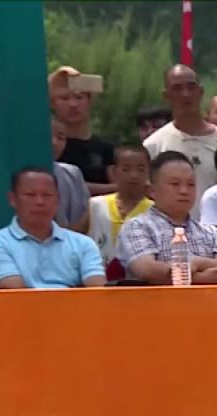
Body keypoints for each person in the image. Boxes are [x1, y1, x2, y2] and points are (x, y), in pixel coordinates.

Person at [118, 151, 217, 285]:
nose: (184, 191)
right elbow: (147, 269)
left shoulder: (210, 232)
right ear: (151, 191)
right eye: (175, 184)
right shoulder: (137, 226)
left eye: (191, 184)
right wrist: (199, 279)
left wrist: (196, 262)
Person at [0, 167, 106, 289]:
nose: (40, 201)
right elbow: (15, 291)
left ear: (58, 200)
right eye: (30, 194)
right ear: (13, 199)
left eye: (47, 195)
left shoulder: (83, 243)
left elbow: (96, 288)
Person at [143, 65, 217, 215]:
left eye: (191, 87)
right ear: (166, 96)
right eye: (177, 88)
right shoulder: (154, 145)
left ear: (201, 91)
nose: (186, 94)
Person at [87, 144, 154, 282]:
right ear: (113, 171)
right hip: (99, 282)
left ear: (149, 172)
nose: (134, 175)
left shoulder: (155, 210)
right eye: (126, 169)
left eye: (141, 169)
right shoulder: (95, 205)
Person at [48, 66, 115, 195]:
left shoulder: (105, 148)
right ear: (52, 103)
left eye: (79, 98)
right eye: (64, 98)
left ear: (89, 101)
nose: (73, 104)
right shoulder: (51, 147)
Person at [50, 116, 91, 233]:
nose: (54, 142)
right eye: (48, 135)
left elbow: (83, 215)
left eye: (61, 137)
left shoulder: (72, 173)